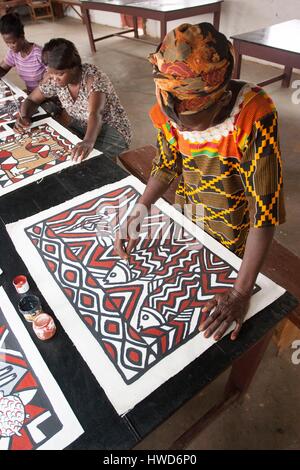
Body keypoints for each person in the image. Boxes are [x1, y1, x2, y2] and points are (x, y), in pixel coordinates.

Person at [114, 23, 285, 341]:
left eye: (189, 125)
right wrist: (136, 215)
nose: (181, 130)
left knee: (216, 308)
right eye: (174, 121)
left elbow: (264, 210)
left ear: (221, 103)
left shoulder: (254, 114)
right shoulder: (170, 107)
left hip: (234, 230)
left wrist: (240, 293)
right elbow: (165, 165)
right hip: (192, 214)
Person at [14, 38, 131, 161]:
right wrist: (24, 116)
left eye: (59, 74)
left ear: (74, 68)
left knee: (87, 159)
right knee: (61, 150)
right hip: (82, 124)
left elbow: (95, 113)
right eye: (50, 72)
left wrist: (88, 141)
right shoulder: (53, 77)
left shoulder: (94, 78)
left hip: (111, 129)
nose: (54, 79)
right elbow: (32, 99)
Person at [0, 13, 45, 93]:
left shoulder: (39, 54)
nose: (10, 46)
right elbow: (3, 68)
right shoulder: (13, 53)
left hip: (46, 96)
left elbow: (54, 78)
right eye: (7, 43)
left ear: (22, 36)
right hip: (31, 94)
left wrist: (33, 97)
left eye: (13, 42)